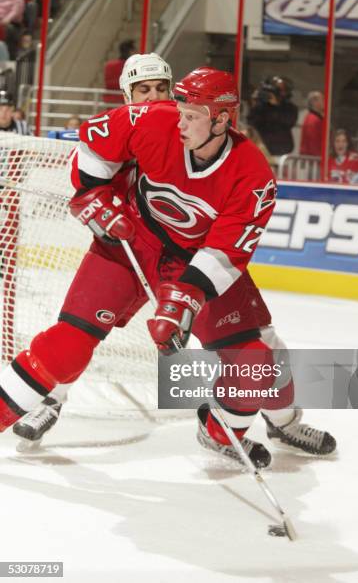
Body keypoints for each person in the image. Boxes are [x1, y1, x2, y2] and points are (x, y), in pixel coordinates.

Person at [3, 66, 336, 465]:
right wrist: (91, 195)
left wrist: (185, 301)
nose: (179, 120)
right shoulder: (157, 119)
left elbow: (227, 251)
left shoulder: (252, 175)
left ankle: (223, 431)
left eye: (191, 115)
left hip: (194, 264)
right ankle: (40, 403)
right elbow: (94, 142)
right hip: (131, 243)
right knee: (69, 344)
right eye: (179, 108)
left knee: (257, 363)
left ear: (222, 120)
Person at [12, 51, 174, 442]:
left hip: (177, 256)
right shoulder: (117, 130)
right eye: (143, 90)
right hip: (122, 251)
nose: (152, 97)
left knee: (232, 335)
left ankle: (260, 416)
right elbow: (87, 190)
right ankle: (52, 398)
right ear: (127, 96)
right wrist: (100, 212)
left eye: (160, 88)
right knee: (78, 331)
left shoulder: (190, 131)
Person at [247, 76, 298, 157]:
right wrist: (254, 104)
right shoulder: (262, 106)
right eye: (277, 89)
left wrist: (276, 105)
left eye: (282, 90)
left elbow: (289, 121)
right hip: (262, 148)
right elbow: (251, 122)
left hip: (281, 149)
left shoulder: (290, 107)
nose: (279, 92)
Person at [103, 39, 135, 104]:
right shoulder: (131, 66)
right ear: (130, 51)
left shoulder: (109, 65)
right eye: (134, 51)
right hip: (124, 100)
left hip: (109, 99)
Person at [300, 90, 324, 156]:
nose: (325, 102)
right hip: (312, 159)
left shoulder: (314, 118)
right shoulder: (313, 119)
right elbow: (313, 142)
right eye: (322, 99)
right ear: (314, 102)